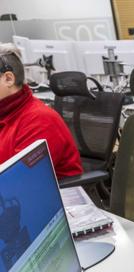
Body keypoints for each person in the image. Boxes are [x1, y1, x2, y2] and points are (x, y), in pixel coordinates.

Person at [0, 44, 82, 178]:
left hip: (52, 196)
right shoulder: (6, 113)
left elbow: (19, 179)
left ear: (8, 79)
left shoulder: (40, 121)